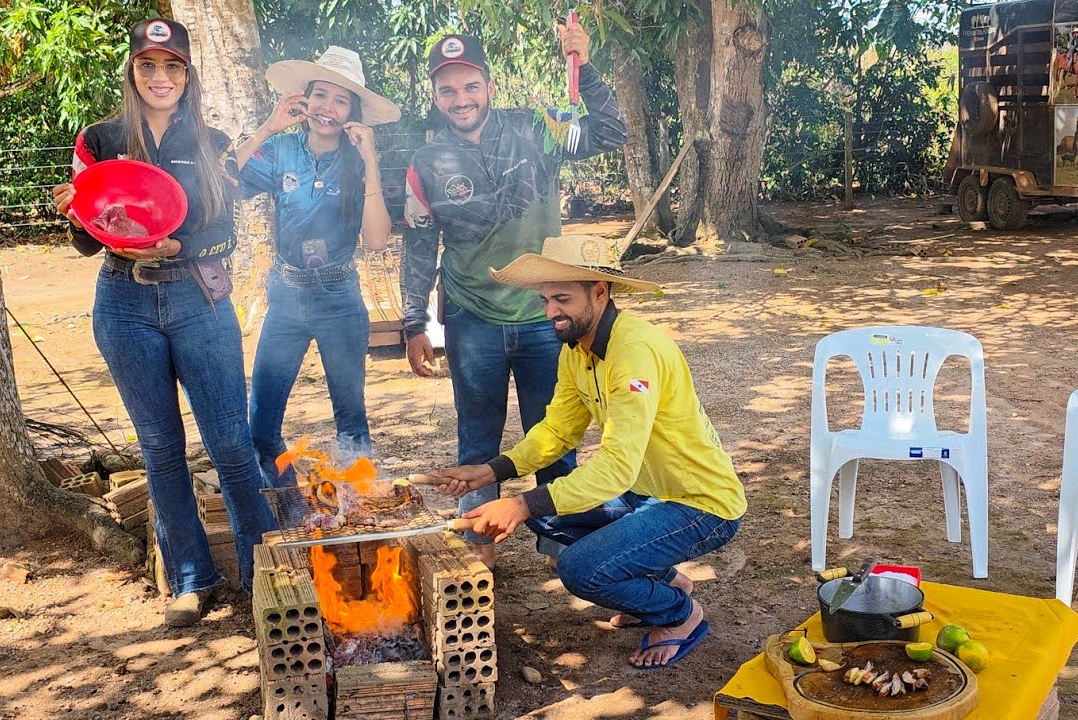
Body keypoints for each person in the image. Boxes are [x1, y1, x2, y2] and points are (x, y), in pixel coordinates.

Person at [430, 235, 747, 668]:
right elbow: (557, 431)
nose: (550, 312)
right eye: (545, 300)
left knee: (580, 569)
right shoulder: (577, 350)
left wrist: (519, 504)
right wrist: (490, 471)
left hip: (701, 505)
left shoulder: (634, 353)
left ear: (600, 292)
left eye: (562, 299)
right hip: (647, 496)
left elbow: (617, 466)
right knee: (547, 515)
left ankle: (679, 614)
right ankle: (665, 582)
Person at [51, 17, 275, 626]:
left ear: (187, 74)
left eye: (172, 66)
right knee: (159, 446)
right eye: (148, 65)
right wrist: (75, 215)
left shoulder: (212, 139)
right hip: (124, 303)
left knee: (231, 441)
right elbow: (87, 242)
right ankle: (189, 580)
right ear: (132, 70)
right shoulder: (98, 140)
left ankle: (265, 576)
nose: (160, 77)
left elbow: (225, 229)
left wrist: (180, 248)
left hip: (198, 297)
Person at [400, 21, 627, 568]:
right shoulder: (426, 164)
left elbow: (611, 133)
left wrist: (585, 66)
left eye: (469, 86)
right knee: (475, 437)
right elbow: (417, 245)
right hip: (471, 317)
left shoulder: (539, 129)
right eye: (447, 90)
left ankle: (563, 541)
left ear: (490, 86)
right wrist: (413, 323)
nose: (460, 99)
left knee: (554, 437)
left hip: (542, 314)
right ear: (435, 97)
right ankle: (477, 552)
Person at [234, 47, 401, 485]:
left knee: (350, 416)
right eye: (320, 95)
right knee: (262, 420)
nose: (327, 108)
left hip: (340, 300)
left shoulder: (356, 159)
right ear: (304, 100)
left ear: (353, 112)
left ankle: (359, 509)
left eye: (340, 100)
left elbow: (378, 239)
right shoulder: (280, 149)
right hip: (285, 298)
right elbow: (222, 184)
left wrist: (369, 161)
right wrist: (268, 126)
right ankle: (287, 505)